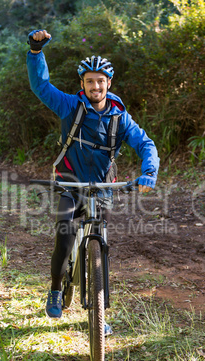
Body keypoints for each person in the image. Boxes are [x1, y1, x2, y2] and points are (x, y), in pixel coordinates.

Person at [27, 30, 160, 324]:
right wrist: (36, 53)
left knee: (101, 242)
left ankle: (99, 310)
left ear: (108, 83)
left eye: (101, 81)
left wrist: (148, 172)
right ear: (82, 84)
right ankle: (55, 290)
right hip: (70, 183)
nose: (95, 86)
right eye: (89, 81)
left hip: (102, 187)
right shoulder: (69, 106)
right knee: (65, 232)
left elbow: (145, 144)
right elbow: (41, 86)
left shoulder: (119, 116)